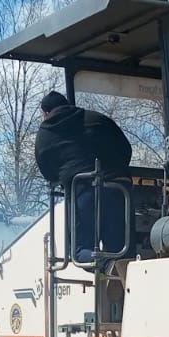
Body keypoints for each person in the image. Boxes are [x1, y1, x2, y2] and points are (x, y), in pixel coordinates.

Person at [33, 90, 133, 262]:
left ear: (46, 112)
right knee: (121, 249)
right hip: (119, 190)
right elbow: (126, 148)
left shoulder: (45, 132)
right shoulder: (97, 118)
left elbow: (47, 171)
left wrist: (64, 177)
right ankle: (120, 271)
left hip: (83, 192)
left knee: (80, 252)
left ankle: (106, 266)